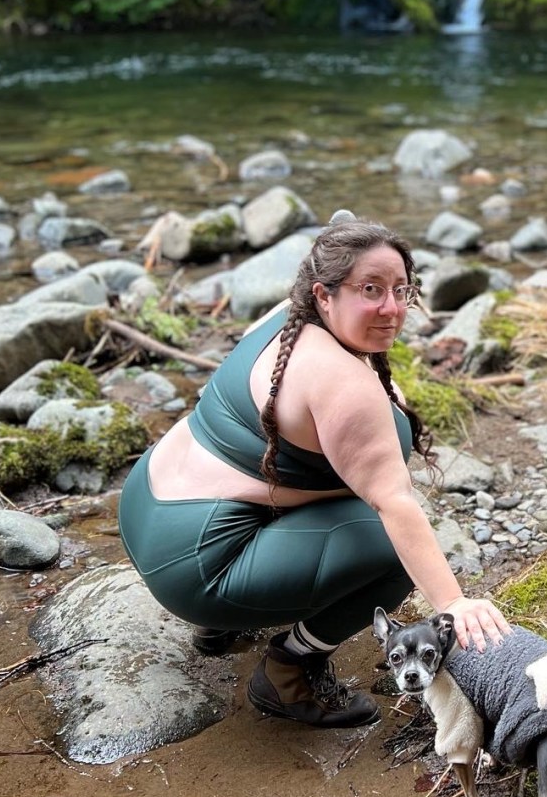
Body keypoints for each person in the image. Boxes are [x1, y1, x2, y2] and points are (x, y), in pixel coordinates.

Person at [118, 215, 509, 729]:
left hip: (148, 504)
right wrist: (453, 602)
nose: (391, 308)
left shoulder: (291, 312)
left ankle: (224, 626)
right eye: (370, 290)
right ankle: (288, 669)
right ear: (325, 295)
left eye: (401, 290)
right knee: (394, 548)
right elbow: (395, 503)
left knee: (342, 507)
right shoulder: (341, 382)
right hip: (195, 565)